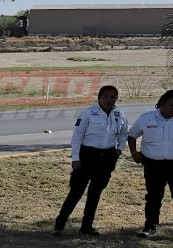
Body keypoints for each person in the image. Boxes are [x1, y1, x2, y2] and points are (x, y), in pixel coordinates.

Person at [54, 85, 127, 237]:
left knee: (95, 192)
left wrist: (119, 150)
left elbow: (123, 134)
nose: (109, 100)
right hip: (87, 155)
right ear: (99, 98)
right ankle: (60, 223)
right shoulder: (88, 114)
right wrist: (75, 158)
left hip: (107, 156)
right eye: (105, 96)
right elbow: (77, 136)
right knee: (76, 191)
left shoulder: (120, 115)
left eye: (112, 96)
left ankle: (87, 225)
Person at [127, 89, 173, 238]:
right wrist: (134, 153)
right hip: (153, 165)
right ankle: (150, 226)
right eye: (172, 105)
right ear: (162, 103)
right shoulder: (146, 118)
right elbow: (132, 134)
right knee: (153, 196)